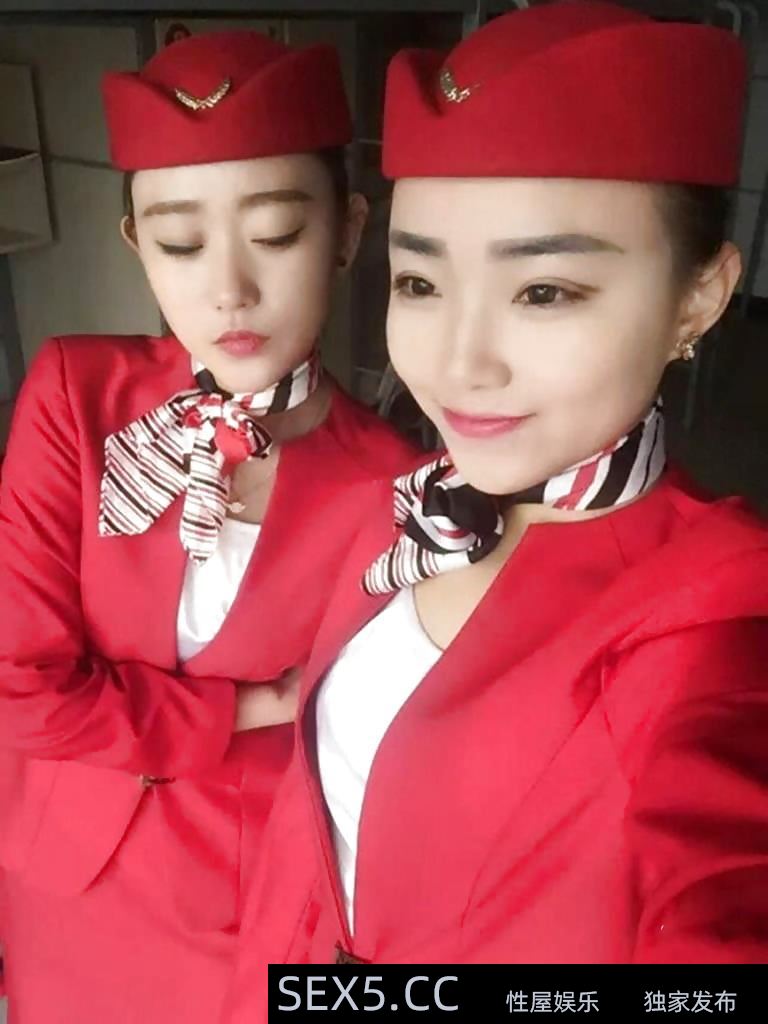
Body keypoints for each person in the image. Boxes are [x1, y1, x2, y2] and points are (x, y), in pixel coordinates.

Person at [226, 1, 768, 1013]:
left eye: (544, 292)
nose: (458, 363)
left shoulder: (716, 627)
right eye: (421, 283)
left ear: (698, 298)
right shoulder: (405, 506)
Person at [0, 30, 415, 1024]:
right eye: (181, 244)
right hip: (62, 875)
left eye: (276, 233)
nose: (228, 288)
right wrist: (249, 708)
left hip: (242, 908)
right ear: (137, 244)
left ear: (348, 229)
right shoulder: (74, 394)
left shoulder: (399, 484)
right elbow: (18, 692)